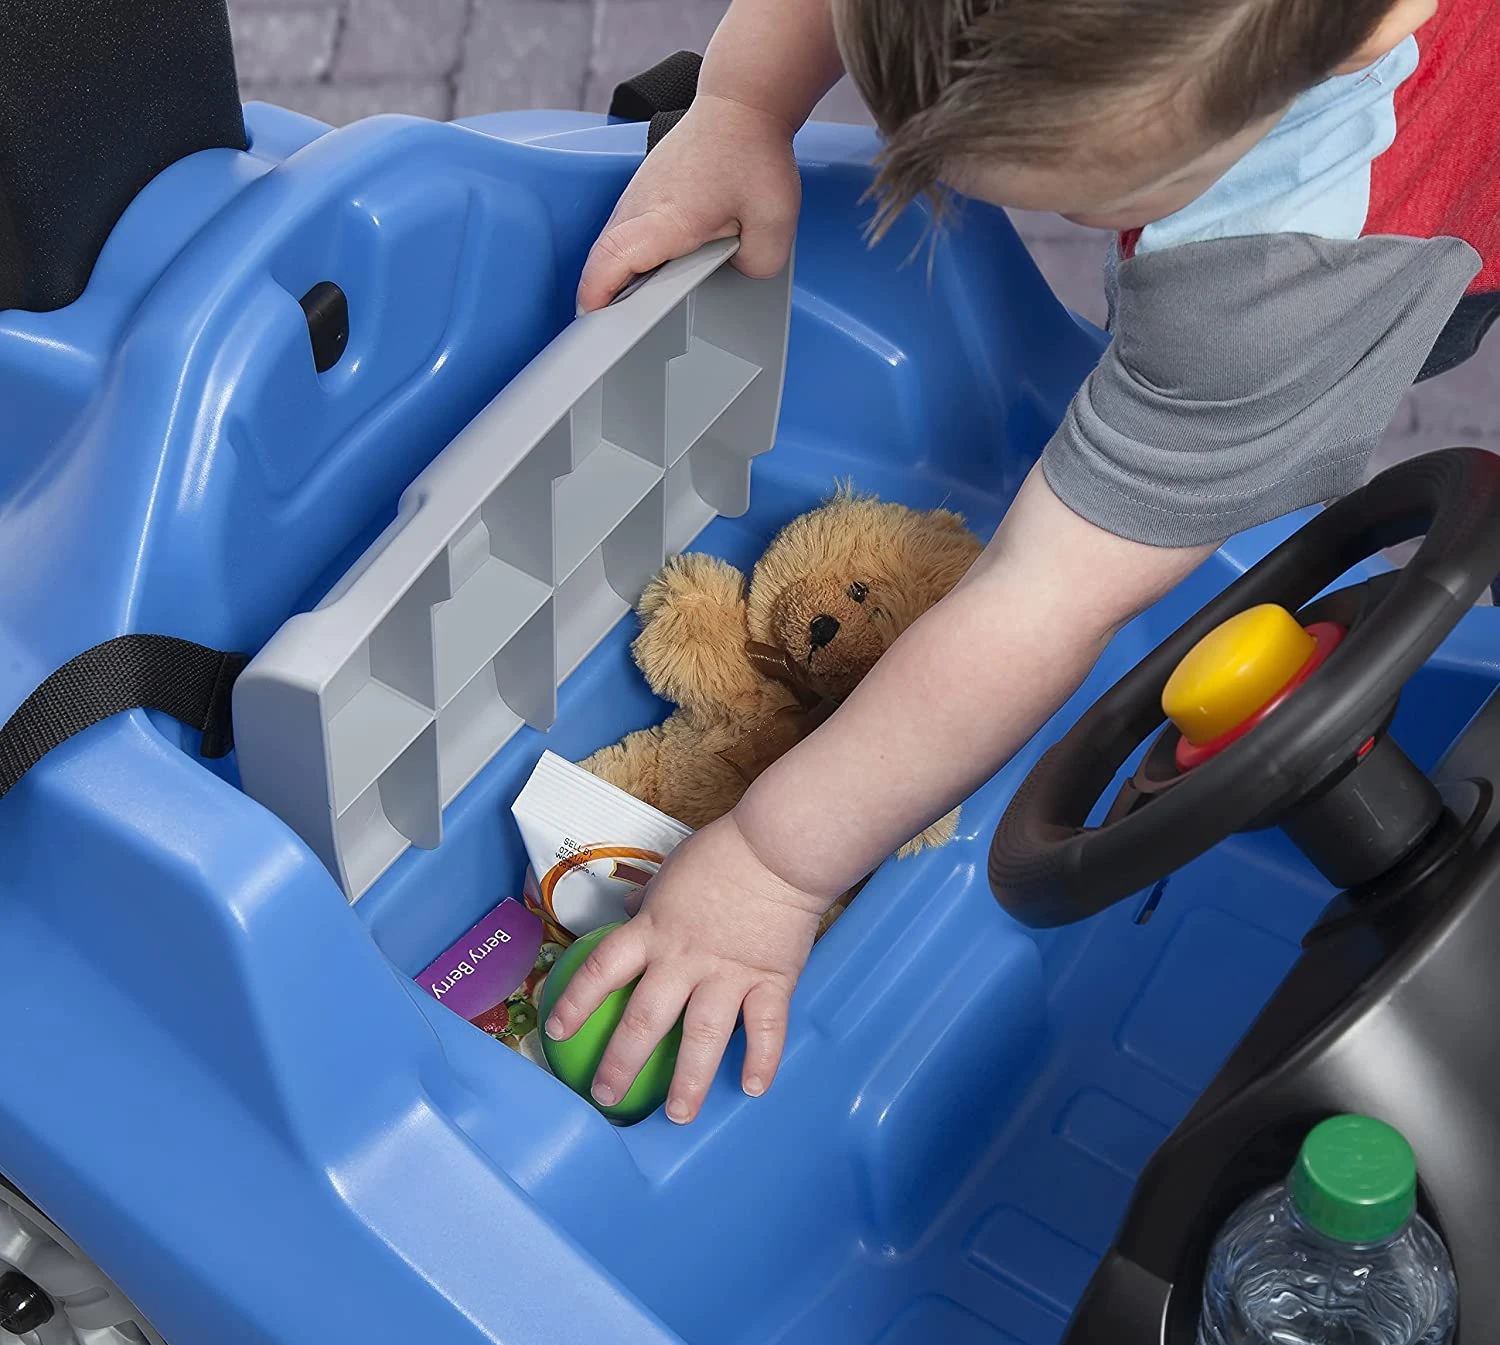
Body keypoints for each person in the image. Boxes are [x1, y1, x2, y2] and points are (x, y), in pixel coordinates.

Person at [547, 0, 1500, 1124]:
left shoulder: (1272, 291)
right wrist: (741, 105)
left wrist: (771, 864)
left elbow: (1041, 597)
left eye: (1087, 200)